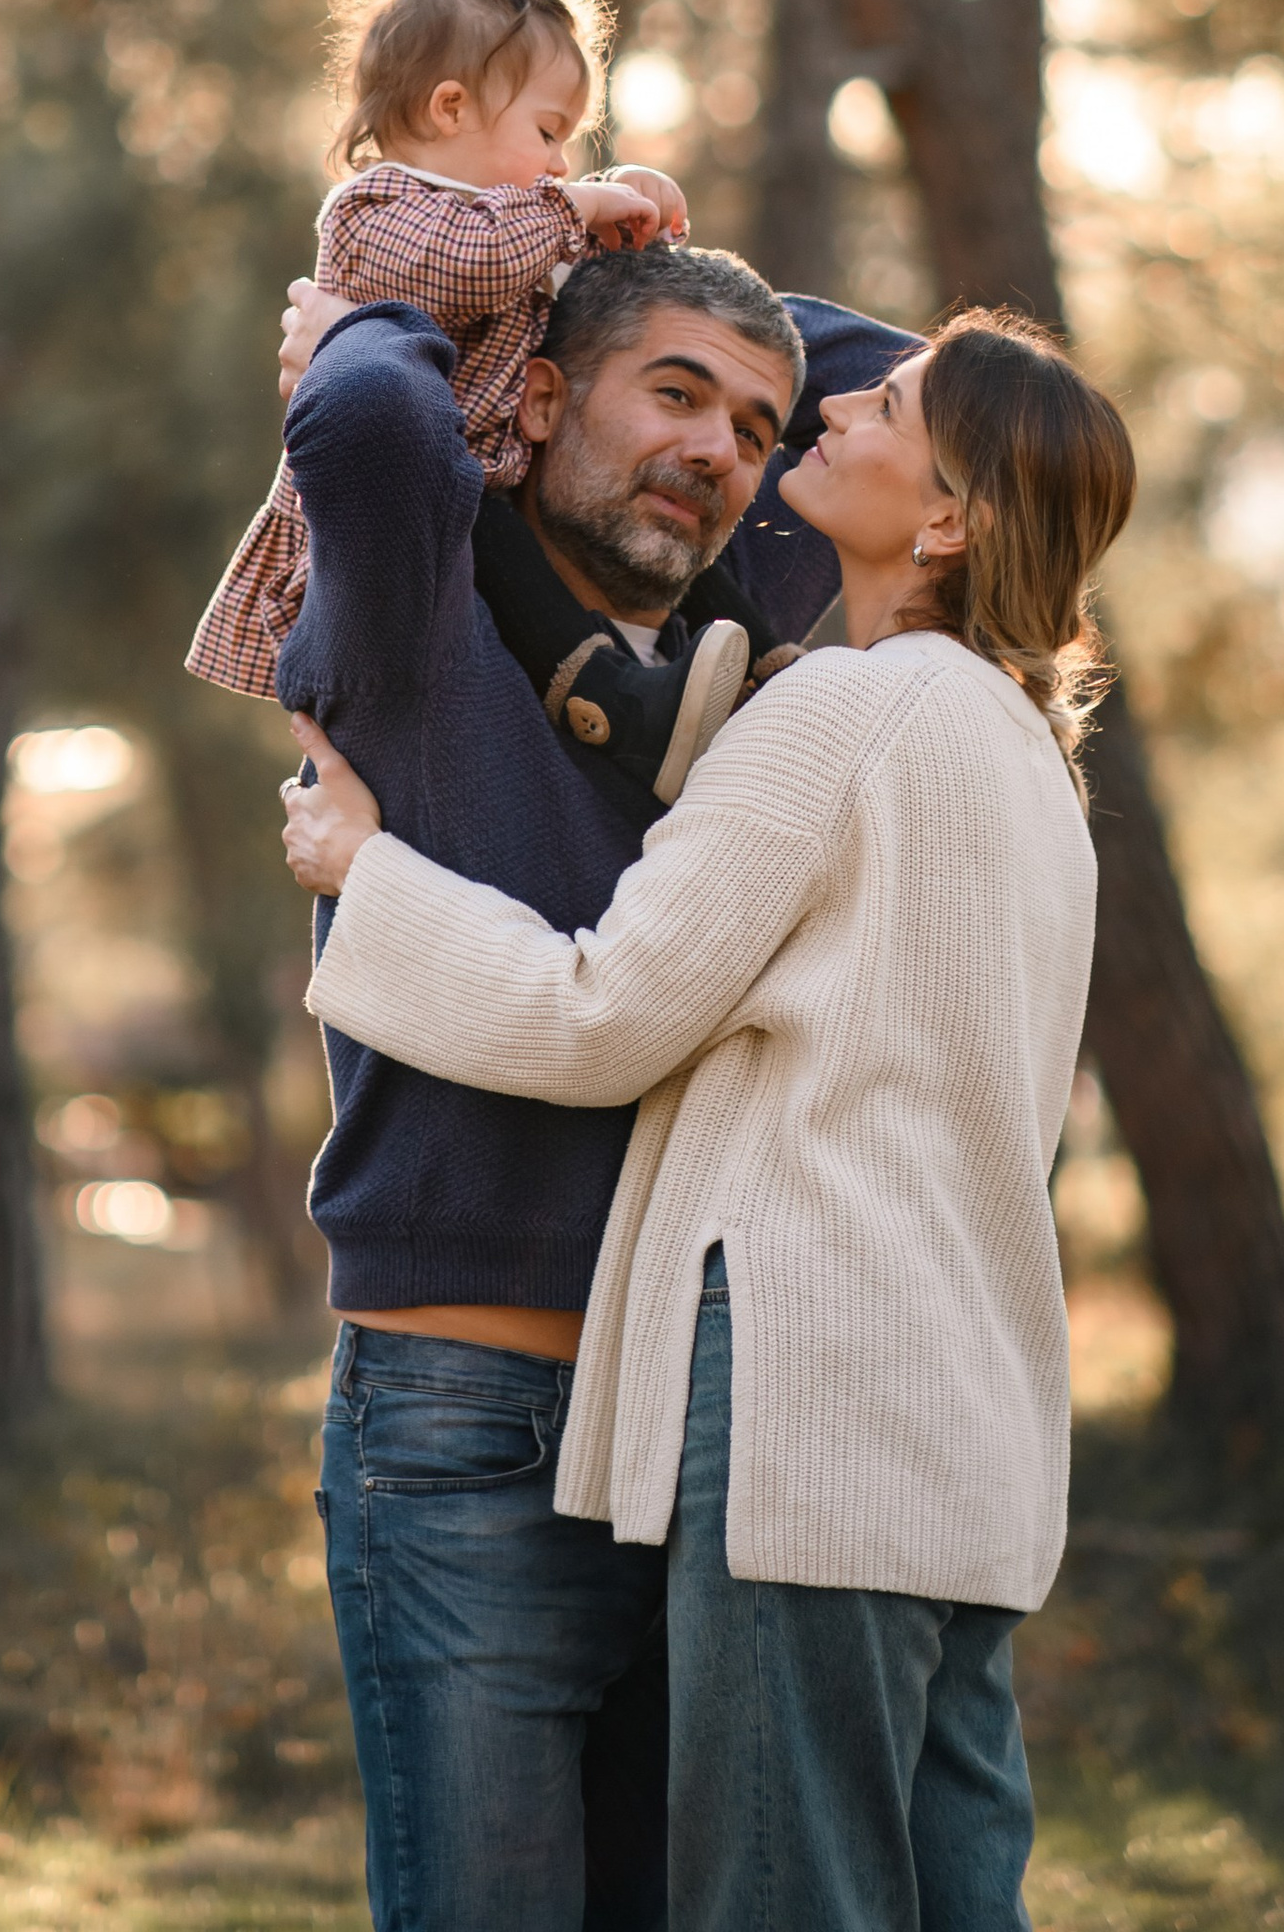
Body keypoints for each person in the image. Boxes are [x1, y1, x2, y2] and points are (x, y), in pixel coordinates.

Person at [283, 310, 1137, 1932]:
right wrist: (581, 261)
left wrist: (364, 875)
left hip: (812, 1420)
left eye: (884, 408)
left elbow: (599, 1013)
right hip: (973, 1434)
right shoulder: (1029, 758)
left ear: (946, 520)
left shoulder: (843, 713)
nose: (835, 404)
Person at [264, 232, 913, 1932]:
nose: (716, 448)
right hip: (461, 1415)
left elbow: (914, 394)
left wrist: (603, 246)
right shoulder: (419, 604)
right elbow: (365, 423)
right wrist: (458, 276)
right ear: (539, 400)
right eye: (673, 392)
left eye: (753, 427)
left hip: (694, 1428)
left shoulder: (731, 640)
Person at [185, 0, 688, 705]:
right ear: (450, 108)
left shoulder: (524, 220)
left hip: (479, 504)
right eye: (549, 132)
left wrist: (629, 211)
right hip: (385, 524)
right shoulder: (378, 209)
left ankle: (689, 676)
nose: (563, 165)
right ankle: (616, 698)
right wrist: (578, 207)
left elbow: (585, 302)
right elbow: (474, 266)